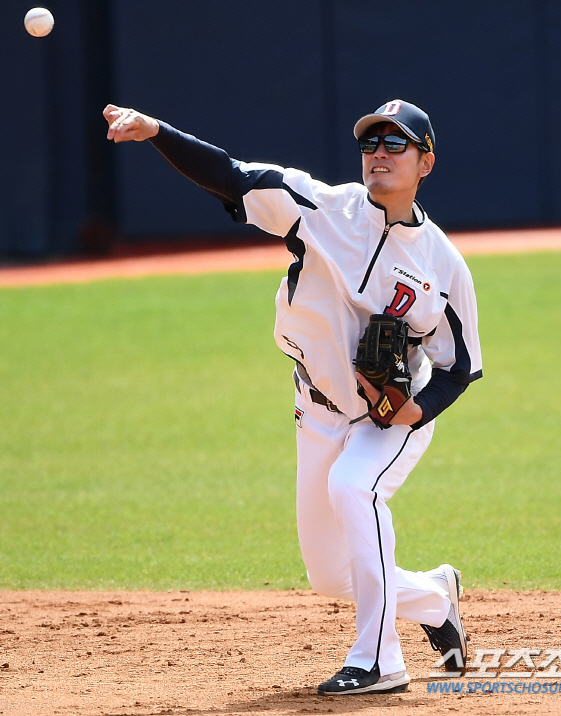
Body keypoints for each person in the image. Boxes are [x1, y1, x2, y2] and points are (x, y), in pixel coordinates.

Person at [104, 99, 482, 695]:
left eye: (395, 145)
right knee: (331, 576)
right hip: (316, 410)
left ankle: (379, 660)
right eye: (370, 143)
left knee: (353, 487)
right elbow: (229, 174)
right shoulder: (318, 207)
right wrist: (156, 131)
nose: (378, 154)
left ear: (425, 162)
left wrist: (418, 410)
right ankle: (435, 597)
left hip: (388, 420)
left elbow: (461, 368)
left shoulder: (443, 263)